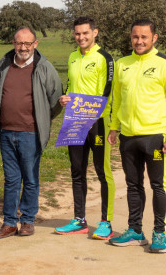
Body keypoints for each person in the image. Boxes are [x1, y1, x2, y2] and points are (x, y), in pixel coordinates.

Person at [107, 19, 166, 253]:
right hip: (128, 137)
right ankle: (135, 231)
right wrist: (114, 127)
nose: (139, 41)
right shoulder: (122, 64)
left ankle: (159, 233)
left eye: (144, 37)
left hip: (155, 137)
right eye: (135, 37)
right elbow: (117, 100)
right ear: (130, 37)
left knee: (158, 185)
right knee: (133, 185)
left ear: (154, 38)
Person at [0, 27, 63, 239]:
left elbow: (55, 100)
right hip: (6, 132)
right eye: (19, 43)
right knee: (11, 179)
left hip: (31, 133)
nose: (23, 48)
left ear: (35, 44)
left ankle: (28, 220)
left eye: (27, 44)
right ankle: (10, 222)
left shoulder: (45, 68)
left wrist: (41, 119)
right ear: (13, 43)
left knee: (30, 178)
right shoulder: (2, 65)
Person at [55, 17, 116, 239]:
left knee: (102, 171)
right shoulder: (72, 57)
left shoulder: (105, 58)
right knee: (77, 171)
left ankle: (105, 222)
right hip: (74, 121)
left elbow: (108, 93)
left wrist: (97, 116)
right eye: (77, 34)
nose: (81, 37)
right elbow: (71, 86)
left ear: (95, 33)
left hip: (97, 123)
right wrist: (65, 98)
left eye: (85, 33)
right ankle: (79, 220)